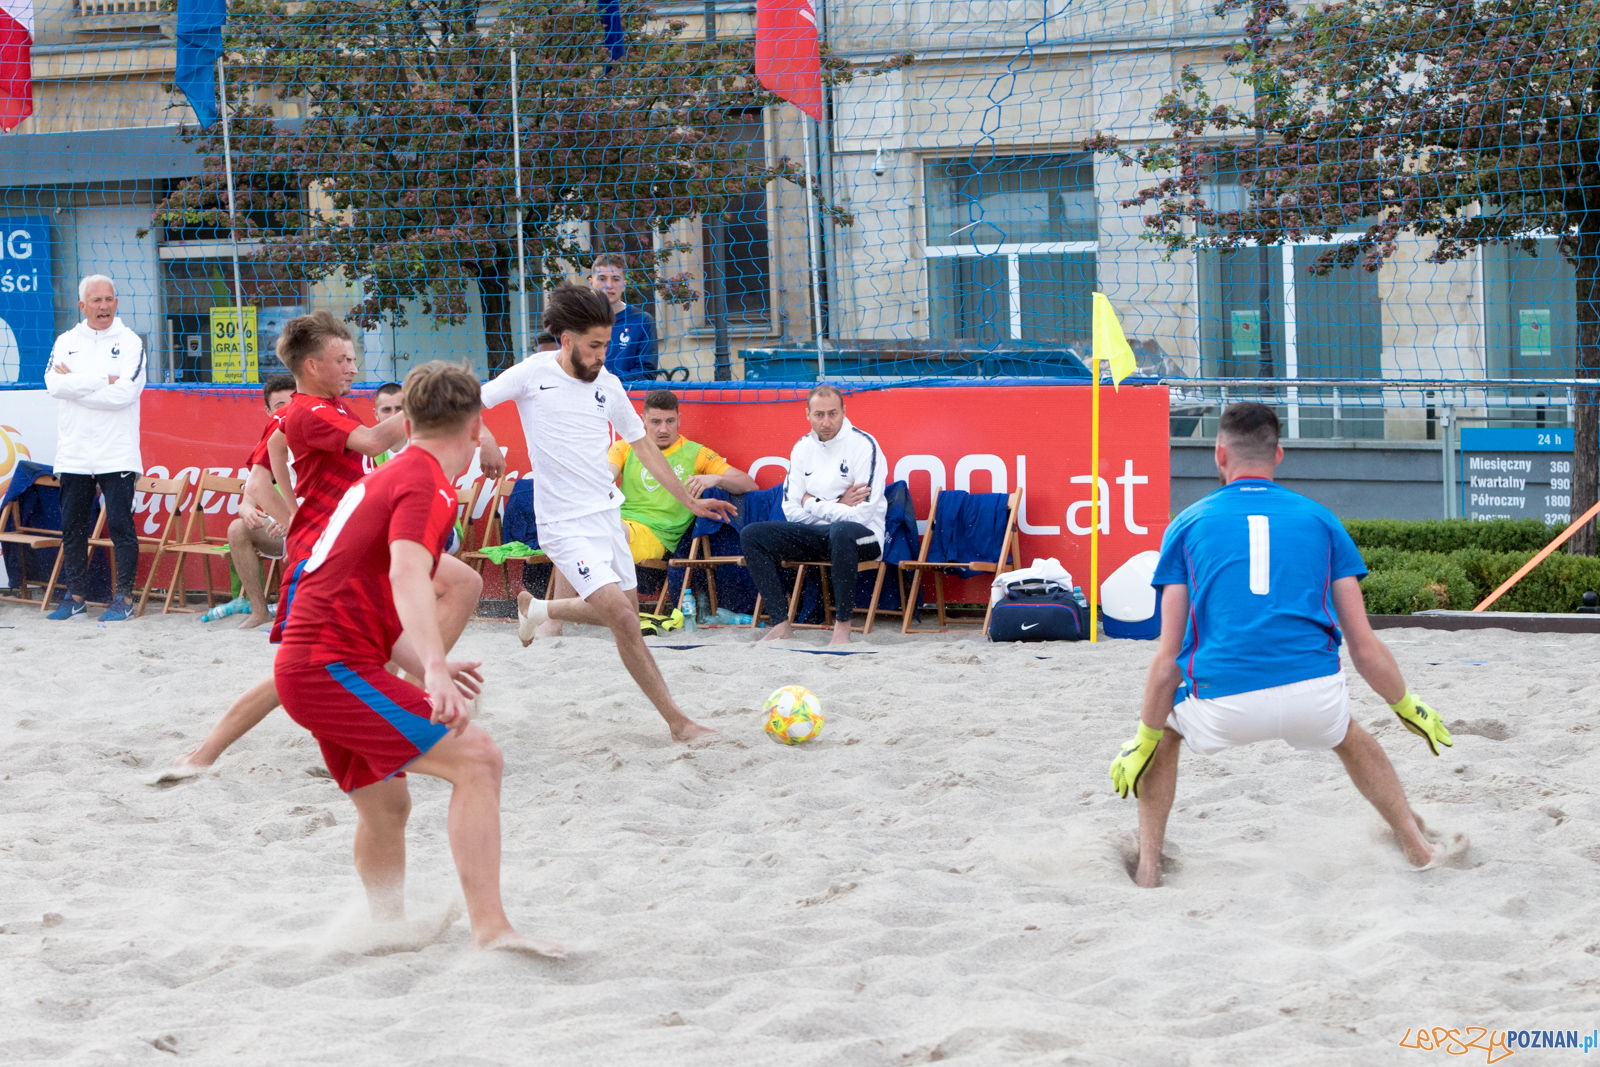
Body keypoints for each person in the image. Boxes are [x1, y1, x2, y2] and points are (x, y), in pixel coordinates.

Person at [1107, 402, 1462, 888]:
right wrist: (1405, 702)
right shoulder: (1321, 521)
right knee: (1350, 735)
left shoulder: (1186, 526)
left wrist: (1142, 738)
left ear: (1218, 454)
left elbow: (1167, 659)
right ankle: (1417, 846)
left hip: (1221, 704)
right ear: (1279, 454)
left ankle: (1148, 870)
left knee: (1166, 734)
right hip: (1313, 696)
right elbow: (1363, 645)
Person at [274, 360, 561, 955]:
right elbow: (408, 572)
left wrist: (417, 653)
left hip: (322, 659)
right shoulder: (423, 482)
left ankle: (383, 928)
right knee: (478, 759)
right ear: (476, 426)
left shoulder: (394, 472)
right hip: (327, 666)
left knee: (388, 804)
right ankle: (492, 929)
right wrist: (431, 665)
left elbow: (365, 589)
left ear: (406, 419)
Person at [167, 312, 479, 773]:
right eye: (344, 359)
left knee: (459, 588)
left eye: (354, 358)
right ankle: (205, 752)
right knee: (299, 670)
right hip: (325, 553)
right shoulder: (303, 411)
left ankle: (405, 699)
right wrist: (295, 522)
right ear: (311, 366)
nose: (353, 367)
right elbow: (259, 482)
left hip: (349, 543)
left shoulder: (330, 408)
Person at [480, 284, 736, 742]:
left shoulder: (610, 386)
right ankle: (680, 723)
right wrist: (482, 439)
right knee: (622, 617)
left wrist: (690, 501)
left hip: (607, 515)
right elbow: (468, 402)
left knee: (627, 617)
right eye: (594, 345)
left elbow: (647, 450)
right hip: (561, 523)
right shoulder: (532, 374)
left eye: (605, 344)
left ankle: (537, 608)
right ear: (567, 340)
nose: (602, 354)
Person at [740, 385, 887, 646]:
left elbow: (862, 515)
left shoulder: (864, 445)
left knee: (841, 531)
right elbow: (791, 510)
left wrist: (812, 502)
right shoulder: (802, 448)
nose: (826, 422)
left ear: (844, 412)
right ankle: (781, 624)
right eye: (819, 415)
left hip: (862, 538)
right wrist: (837, 503)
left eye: (833, 414)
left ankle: (842, 628)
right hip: (819, 535)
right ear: (807, 414)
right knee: (753, 534)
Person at [44, 275, 146, 622]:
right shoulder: (66, 340)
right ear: (82, 305)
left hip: (116, 450)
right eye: (97, 300)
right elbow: (54, 385)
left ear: (116, 302)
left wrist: (77, 384)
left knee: (120, 525)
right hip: (73, 451)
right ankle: (75, 598)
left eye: (109, 299)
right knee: (73, 527)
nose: (104, 306)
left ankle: (125, 599)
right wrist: (104, 377)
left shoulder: (131, 341)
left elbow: (126, 395)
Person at [229, 373, 297, 629]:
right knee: (238, 528)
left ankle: (299, 614)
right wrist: (247, 510)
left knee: (298, 544)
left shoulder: (312, 435)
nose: (288, 410)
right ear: (269, 411)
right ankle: (260, 612)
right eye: (281, 406)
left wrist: (291, 520)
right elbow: (248, 498)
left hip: (308, 524)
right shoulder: (268, 445)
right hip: (283, 525)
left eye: (293, 403)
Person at [589, 254, 657, 381]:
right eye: (602, 278)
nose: (609, 285)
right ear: (591, 283)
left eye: (615, 279)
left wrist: (608, 380)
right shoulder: (579, 320)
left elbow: (647, 373)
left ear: (624, 284)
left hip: (627, 396)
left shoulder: (642, 321)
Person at [369, 382, 406, 466]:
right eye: (386, 410)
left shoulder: (425, 446)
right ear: (376, 414)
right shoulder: (368, 454)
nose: (394, 416)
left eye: (399, 409)